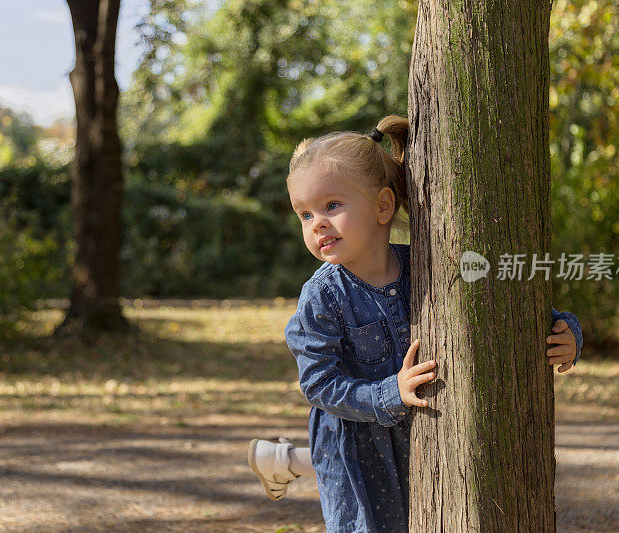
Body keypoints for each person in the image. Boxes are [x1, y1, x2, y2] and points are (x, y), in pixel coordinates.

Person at [246, 115, 584, 532]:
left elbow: (497, 304)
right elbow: (317, 384)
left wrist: (565, 329)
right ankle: (285, 460)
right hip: (356, 451)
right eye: (304, 214)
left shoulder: (421, 264)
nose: (317, 223)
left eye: (331, 205)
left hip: (417, 439)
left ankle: (281, 460)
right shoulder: (323, 296)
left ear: (383, 206)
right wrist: (391, 391)